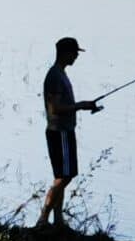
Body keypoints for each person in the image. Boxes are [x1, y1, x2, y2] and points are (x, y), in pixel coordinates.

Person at [36, 36, 103, 230]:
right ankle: (43, 218)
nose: (76, 56)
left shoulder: (59, 73)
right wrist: (81, 106)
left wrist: (83, 105)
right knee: (64, 177)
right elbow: (55, 108)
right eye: (74, 53)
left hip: (62, 131)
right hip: (60, 132)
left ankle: (58, 220)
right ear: (65, 53)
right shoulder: (55, 76)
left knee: (62, 175)